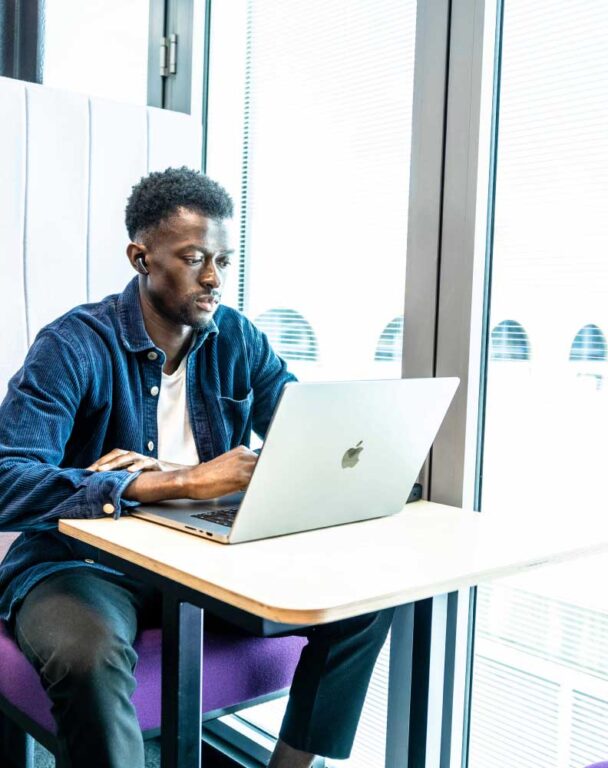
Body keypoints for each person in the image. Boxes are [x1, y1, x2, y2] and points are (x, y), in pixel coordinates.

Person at [0, 167, 393, 768]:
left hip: (208, 558)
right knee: (87, 658)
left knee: (365, 602)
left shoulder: (238, 340)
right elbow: (8, 479)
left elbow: (303, 438)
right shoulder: (73, 344)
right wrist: (174, 481)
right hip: (82, 565)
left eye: (224, 261)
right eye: (193, 258)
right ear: (141, 258)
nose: (214, 278)